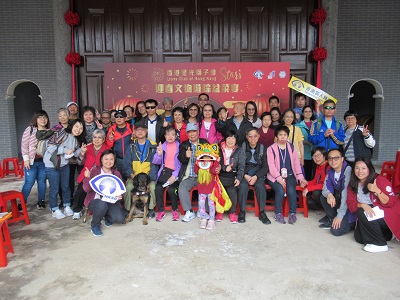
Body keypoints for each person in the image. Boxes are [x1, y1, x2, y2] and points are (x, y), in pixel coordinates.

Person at [347, 157, 400, 252]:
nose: (360, 171)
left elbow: (391, 202)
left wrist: (377, 191)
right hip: (369, 216)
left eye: (363, 168)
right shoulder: (353, 184)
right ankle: (387, 234)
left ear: (369, 169)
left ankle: (380, 244)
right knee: (359, 238)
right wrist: (362, 204)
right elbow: (351, 205)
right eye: (357, 168)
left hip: (385, 216)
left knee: (361, 211)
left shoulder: (379, 181)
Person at [44, 119, 87, 219]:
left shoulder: (75, 141)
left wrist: (82, 151)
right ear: (71, 126)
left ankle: (67, 205)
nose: (78, 130)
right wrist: (65, 150)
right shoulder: (62, 133)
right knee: (54, 188)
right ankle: (54, 208)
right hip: (52, 164)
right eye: (77, 126)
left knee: (66, 186)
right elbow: (50, 146)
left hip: (64, 165)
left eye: (81, 128)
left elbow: (75, 155)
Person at [266, 126, 307, 224]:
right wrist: (279, 178)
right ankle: (278, 213)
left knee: (291, 190)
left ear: (288, 136)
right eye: (280, 135)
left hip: (289, 174)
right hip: (274, 176)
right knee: (280, 190)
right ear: (276, 137)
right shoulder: (271, 149)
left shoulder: (291, 147)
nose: (283, 137)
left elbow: (296, 163)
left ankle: (292, 213)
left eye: (285, 135)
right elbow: (271, 166)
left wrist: (300, 176)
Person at [82, 150, 126, 237]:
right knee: (101, 205)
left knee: (119, 219)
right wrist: (87, 178)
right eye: (106, 159)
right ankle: (95, 225)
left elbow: (122, 189)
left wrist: (120, 195)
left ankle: (106, 216)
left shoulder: (116, 173)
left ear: (114, 161)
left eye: (111, 159)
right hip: (95, 200)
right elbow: (86, 189)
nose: (108, 162)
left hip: (111, 201)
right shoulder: (94, 171)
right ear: (101, 159)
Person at [72, 129, 110, 219]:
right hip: (87, 175)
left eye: (99, 137)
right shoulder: (87, 148)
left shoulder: (107, 149)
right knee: (80, 191)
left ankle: (101, 210)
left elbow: (110, 163)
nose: (96, 139)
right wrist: (82, 153)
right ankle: (77, 210)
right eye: (94, 137)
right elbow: (79, 162)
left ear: (103, 139)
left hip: (101, 176)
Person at [123, 123, 157, 218]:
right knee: (129, 187)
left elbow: (155, 164)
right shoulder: (131, 147)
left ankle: (150, 209)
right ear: (134, 132)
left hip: (147, 177)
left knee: (153, 187)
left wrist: (150, 179)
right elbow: (126, 163)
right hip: (134, 176)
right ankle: (128, 209)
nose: (140, 132)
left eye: (142, 130)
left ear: (146, 131)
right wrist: (131, 174)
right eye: (138, 130)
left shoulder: (153, 146)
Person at [237, 128, 270, 224]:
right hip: (245, 172)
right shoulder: (241, 148)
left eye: (255, 136)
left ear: (259, 136)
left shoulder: (263, 148)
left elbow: (265, 166)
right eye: (250, 136)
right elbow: (238, 164)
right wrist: (245, 175)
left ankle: (262, 212)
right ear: (246, 137)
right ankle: (242, 211)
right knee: (242, 186)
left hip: (258, 172)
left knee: (260, 186)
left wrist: (256, 176)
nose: (253, 139)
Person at [319, 148, 355, 236]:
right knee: (324, 196)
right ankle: (332, 218)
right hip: (339, 201)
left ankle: (351, 224)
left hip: (349, 208)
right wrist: (329, 194)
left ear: (342, 159)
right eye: (330, 158)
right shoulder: (331, 171)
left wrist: (340, 216)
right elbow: (325, 187)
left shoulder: (348, 171)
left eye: (336, 158)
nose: (333, 161)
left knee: (336, 231)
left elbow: (346, 196)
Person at [20, 110, 51, 210]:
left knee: (42, 181)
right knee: (29, 182)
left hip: (44, 162)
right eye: (40, 117)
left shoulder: (49, 131)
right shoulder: (30, 130)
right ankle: (22, 201)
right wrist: (26, 159)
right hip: (31, 162)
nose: (43, 119)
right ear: (36, 119)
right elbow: (24, 145)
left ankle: (41, 201)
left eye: (45, 117)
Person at [178, 123, 208, 222]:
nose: (192, 134)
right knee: (182, 187)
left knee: (208, 187)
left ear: (198, 132)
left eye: (194, 131)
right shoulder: (184, 144)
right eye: (189, 132)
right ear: (187, 134)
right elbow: (180, 159)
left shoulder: (204, 143)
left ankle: (202, 210)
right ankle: (189, 211)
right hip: (189, 176)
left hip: (203, 175)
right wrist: (186, 156)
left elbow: (212, 157)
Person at [152, 126, 181, 221]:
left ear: (176, 136)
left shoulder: (179, 147)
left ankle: (175, 210)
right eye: (168, 135)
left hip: (175, 173)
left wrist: (174, 176)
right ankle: (161, 211)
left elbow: (181, 165)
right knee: (158, 188)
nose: (170, 137)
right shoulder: (162, 146)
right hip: (165, 172)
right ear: (165, 136)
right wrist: (159, 153)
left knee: (172, 190)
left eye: (173, 135)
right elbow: (156, 161)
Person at [217, 130, 245, 223]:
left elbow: (241, 166)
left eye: (233, 138)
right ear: (225, 139)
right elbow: (216, 163)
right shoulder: (219, 148)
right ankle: (219, 212)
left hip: (232, 176)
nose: (231, 140)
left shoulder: (239, 150)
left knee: (232, 192)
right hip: (220, 175)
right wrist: (224, 168)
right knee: (219, 192)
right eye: (229, 137)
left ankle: (232, 213)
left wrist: (239, 178)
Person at [105, 109, 132, 178]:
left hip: (130, 158)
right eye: (117, 117)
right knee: (118, 178)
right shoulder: (112, 129)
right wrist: (110, 140)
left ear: (125, 118)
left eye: (121, 117)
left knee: (130, 179)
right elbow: (108, 146)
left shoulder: (131, 128)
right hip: (117, 159)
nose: (118, 118)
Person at [302, 146, 329, 211]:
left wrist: (309, 188)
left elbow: (326, 185)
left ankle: (330, 209)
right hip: (321, 191)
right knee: (308, 202)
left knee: (315, 192)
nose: (316, 158)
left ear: (324, 155)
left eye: (319, 155)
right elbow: (315, 181)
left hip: (328, 191)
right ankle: (325, 208)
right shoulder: (318, 166)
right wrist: (306, 183)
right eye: (314, 156)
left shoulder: (328, 166)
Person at [296, 105, 315, 180]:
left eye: (310, 111)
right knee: (305, 176)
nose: (308, 113)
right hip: (303, 154)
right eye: (306, 111)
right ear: (303, 113)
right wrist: (304, 142)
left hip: (315, 154)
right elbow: (295, 140)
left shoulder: (316, 125)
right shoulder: (297, 126)